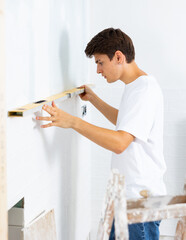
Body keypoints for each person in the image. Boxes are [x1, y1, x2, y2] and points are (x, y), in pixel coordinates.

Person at [36, 28, 167, 239]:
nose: (98, 70)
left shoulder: (144, 90)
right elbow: (126, 122)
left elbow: (120, 143)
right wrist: (94, 100)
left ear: (118, 57)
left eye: (100, 62)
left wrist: (73, 122)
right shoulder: (136, 87)